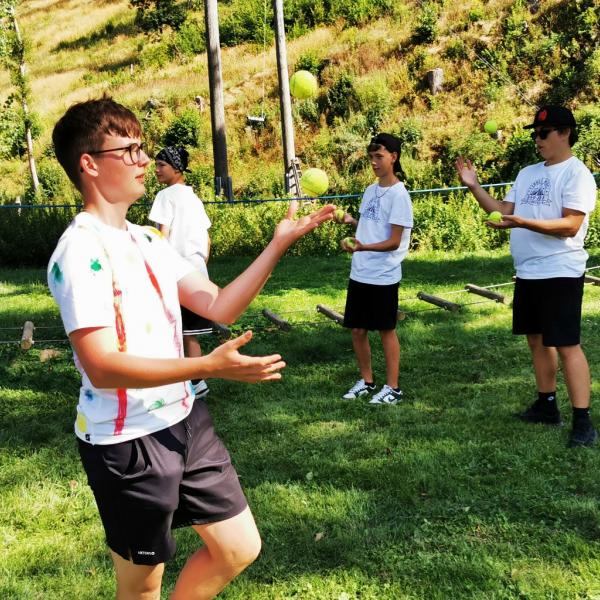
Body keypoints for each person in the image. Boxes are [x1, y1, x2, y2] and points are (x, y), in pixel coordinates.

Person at [47, 96, 334, 600]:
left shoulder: (148, 241)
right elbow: (101, 366)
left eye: (142, 148)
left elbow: (220, 305)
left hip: (185, 419)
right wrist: (207, 366)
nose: (143, 159)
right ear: (89, 164)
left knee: (238, 547)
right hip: (126, 442)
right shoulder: (78, 252)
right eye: (129, 150)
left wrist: (278, 244)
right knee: (142, 587)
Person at [456, 104, 597, 448]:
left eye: (544, 133)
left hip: (560, 270)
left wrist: (524, 222)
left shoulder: (577, 174)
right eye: (535, 134)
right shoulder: (527, 173)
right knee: (536, 339)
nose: (537, 140)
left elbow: (570, 225)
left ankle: (583, 420)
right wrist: (474, 186)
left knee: (566, 344)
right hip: (529, 271)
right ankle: (547, 405)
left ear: (565, 133)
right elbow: (503, 212)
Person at [336, 133, 414, 405]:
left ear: (394, 157)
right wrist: (352, 222)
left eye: (379, 156)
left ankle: (393, 388)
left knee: (385, 330)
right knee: (358, 330)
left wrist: (363, 247)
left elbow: (394, 241)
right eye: (371, 157)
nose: (374, 162)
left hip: (383, 275)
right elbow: (372, 227)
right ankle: (367, 382)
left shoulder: (399, 195)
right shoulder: (371, 190)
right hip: (360, 271)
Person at [149, 146, 212, 400]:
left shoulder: (165, 196)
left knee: (171, 330)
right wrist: (200, 263)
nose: (156, 170)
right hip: (197, 271)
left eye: (161, 165)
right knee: (190, 333)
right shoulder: (193, 197)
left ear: (176, 168)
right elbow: (207, 239)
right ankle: (196, 381)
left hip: (174, 271)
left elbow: (161, 236)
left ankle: (184, 383)